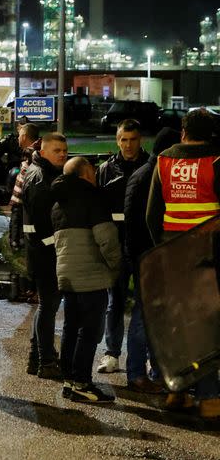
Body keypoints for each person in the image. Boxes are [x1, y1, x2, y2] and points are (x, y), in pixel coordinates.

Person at [146, 108, 220, 418]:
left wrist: (163, 248)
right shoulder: (216, 161)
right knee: (207, 326)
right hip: (209, 254)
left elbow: (151, 215)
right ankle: (209, 396)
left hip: (172, 252)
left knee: (177, 324)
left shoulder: (163, 161)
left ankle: (175, 392)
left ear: (183, 131)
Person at [51, 157, 121, 403]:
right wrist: (116, 266)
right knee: (90, 332)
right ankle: (82, 382)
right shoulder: (92, 198)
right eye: (92, 171)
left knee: (71, 328)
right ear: (85, 174)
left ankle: (69, 380)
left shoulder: (58, 203)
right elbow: (107, 238)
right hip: (90, 275)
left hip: (66, 275)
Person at [123, 127, 181, 395]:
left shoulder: (145, 173)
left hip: (145, 256)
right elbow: (139, 223)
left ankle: (156, 372)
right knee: (143, 317)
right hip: (148, 257)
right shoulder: (151, 175)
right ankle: (136, 374)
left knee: (152, 317)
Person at [94, 119, 149, 375]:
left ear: (141, 140)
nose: (128, 145)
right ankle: (112, 354)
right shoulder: (106, 169)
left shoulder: (152, 167)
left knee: (144, 302)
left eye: (133, 139)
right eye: (123, 139)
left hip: (143, 247)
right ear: (117, 140)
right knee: (114, 301)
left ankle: (146, 355)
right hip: (115, 247)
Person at [22, 132, 68, 378]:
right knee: (49, 306)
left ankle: (37, 356)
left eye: (64, 150)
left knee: (46, 306)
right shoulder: (41, 179)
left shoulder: (39, 171)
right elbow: (42, 225)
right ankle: (46, 362)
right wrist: (58, 248)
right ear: (45, 150)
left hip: (40, 252)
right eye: (57, 151)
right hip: (45, 254)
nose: (62, 154)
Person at [8, 123, 41, 302]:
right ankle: (29, 286)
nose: (18, 137)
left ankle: (33, 287)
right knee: (26, 247)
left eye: (20, 134)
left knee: (29, 246)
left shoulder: (33, 153)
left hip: (25, 207)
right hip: (21, 205)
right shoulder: (29, 152)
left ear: (26, 136)